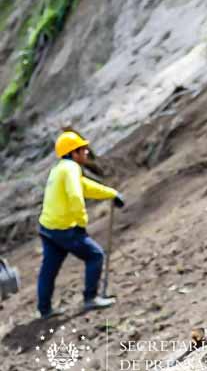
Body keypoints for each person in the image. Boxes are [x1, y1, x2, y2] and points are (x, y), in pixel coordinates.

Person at [37, 131, 125, 318]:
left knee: (48, 270)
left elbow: (84, 186)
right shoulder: (71, 168)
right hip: (64, 228)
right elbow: (76, 196)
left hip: (48, 227)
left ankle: (44, 309)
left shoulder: (60, 169)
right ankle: (90, 298)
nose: (86, 152)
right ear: (73, 153)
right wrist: (81, 221)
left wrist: (111, 194)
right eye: (82, 149)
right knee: (95, 255)